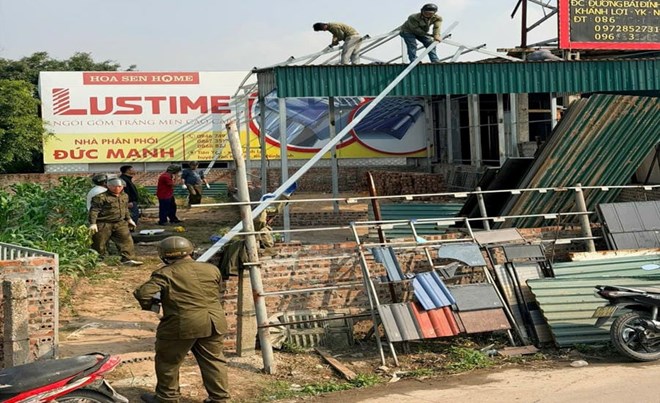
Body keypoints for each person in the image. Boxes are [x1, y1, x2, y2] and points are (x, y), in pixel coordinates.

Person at [134, 236, 229, 403]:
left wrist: (152, 305)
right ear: (191, 251)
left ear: (164, 256)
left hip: (183, 323)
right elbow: (217, 289)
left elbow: (143, 293)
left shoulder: (165, 273)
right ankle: (220, 399)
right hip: (214, 321)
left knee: (168, 361)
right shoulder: (211, 269)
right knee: (214, 361)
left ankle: (167, 398)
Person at [88, 177, 143, 266]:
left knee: (126, 241)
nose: (117, 188)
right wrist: (93, 223)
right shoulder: (101, 197)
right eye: (114, 186)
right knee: (99, 243)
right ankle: (98, 260)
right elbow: (94, 210)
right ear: (109, 186)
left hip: (120, 222)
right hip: (104, 223)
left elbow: (125, 209)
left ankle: (128, 259)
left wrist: (129, 219)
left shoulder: (124, 196)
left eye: (119, 186)